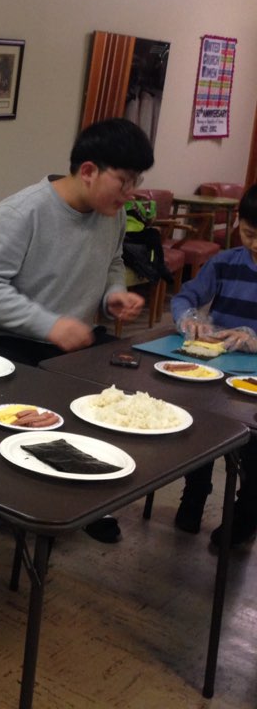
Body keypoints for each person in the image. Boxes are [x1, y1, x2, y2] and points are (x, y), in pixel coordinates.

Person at [0, 117, 154, 543]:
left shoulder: (112, 214)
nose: (131, 193)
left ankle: (84, 498)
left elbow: (112, 262)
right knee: (28, 414)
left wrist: (113, 295)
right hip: (4, 338)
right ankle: (8, 501)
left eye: (137, 181)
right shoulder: (21, 212)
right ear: (88, 171)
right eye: (124, 181)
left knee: (112, 401)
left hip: (73, 338)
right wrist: (49, 324)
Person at [171, 184, 257, 546]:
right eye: (249, 234)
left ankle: (245, 516)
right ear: (239, 224)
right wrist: (189, 319)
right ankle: (194, 493)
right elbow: (185, 297)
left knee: (253, 450)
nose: (255, 245)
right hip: (217, 372)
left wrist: (254, 337)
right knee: (200, 429)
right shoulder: (225, 262)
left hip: (253, 384)